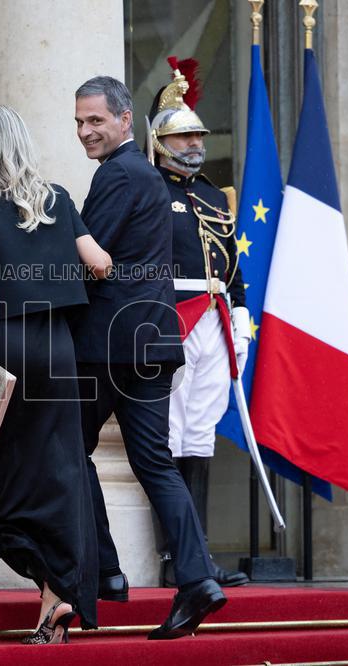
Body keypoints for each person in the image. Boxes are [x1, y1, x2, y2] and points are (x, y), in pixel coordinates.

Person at [0, 105, 110, 643]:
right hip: (57, 351)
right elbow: (99, 261)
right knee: (53, 471)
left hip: (6, 345)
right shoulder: (55, 196)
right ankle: (56, 597)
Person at [72, 75, 225, 639]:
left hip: (114, 344)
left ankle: (107, 571)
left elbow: (95, 261)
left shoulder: (118, 174)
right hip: (152, 344)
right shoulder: (142, 175)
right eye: (80, 123)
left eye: (96, 121)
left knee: (70, 448)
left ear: (124, 119)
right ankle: (198, 579)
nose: (86, 132)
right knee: (155, 464)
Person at [148, 59, 250, 588]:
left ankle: (199, 554)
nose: (193, 144)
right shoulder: (150, 191)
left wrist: (239, 311)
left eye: (197, 135)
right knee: (169, 432)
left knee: (200, 434)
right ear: (162, 141)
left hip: (214, 319)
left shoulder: (213, 195)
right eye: (183, 136)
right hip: (172, 318)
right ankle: (173, 557)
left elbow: (230, 260)